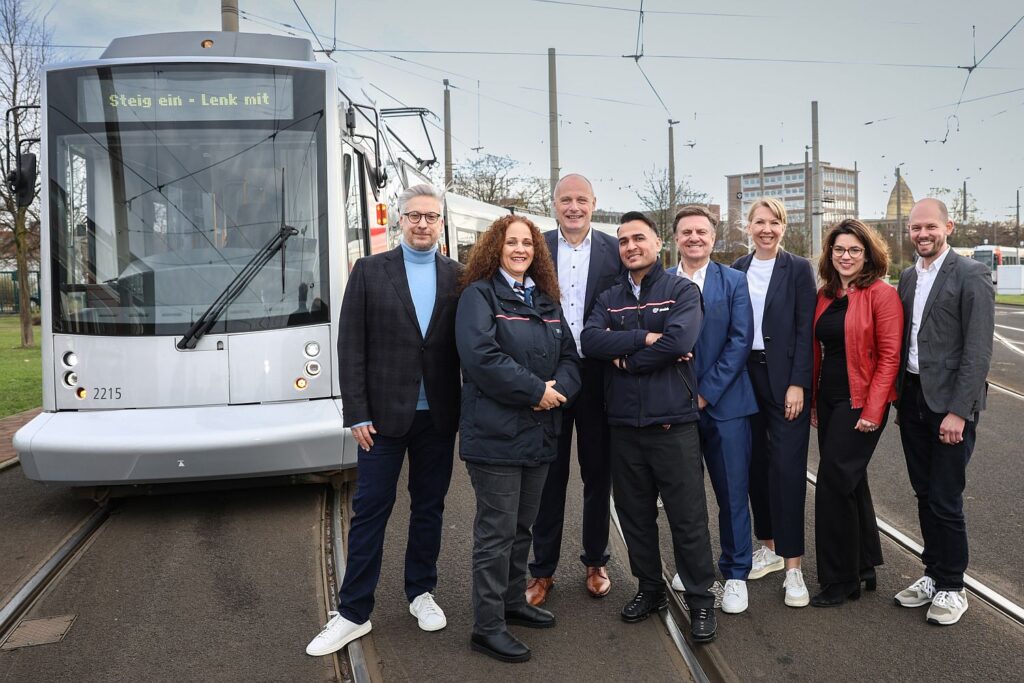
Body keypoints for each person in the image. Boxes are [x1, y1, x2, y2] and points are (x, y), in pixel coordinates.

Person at [306, 184, 462, 656]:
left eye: (430, 216)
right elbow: (350, 345)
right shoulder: (370, 271)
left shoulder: (458, 275)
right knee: (371, 510)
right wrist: (356, 412)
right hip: (380, 420)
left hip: (437, 416)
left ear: (441, 223)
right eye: (414, 215)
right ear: (400, 219)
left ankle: (421, 592)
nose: (422, 224)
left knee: (429, 507)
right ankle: (353, 612)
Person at [582, 211, 718, 643]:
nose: (630, 247)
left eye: (638, 238)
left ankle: (701, 599)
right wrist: (643, 339)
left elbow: (680, 341)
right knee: (635, 517)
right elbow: (590, 339)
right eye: (623, 241)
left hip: (673, 425)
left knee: (688, 518)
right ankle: (650, 588)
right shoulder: (608, 296)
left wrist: (624, 361)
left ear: (658, 244)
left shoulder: (682, 290)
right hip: (624, 426)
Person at [456, 215, 581, 663]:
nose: (520, 249)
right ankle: (487, 627)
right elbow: (481, 357)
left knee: (522, 527)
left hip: (539, 433)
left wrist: (557, 391)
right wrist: (535, 391)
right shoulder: (479, 296)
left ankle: (512, 602)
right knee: (496, 533)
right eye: (511, 242)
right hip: (496, 436)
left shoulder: (546, 299)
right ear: (496, 248)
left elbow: (570, 356)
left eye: (527, 243)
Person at [893, 198, 994, 626]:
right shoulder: (907, 276)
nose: (922, 234)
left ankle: (953, 585)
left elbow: (978, 351)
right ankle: (933, 573)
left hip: (949, 405)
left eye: (930, 226)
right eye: (916, 228)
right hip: (913, 398)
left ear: (948, 227)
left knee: (946, 497)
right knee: (923, 493)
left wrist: (959, 412)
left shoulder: (971, 274)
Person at [528, 173, 623, 606]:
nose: (574, 207)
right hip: (550, 376)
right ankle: (542, 571)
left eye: (581, 200)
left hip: (599, 376)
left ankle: (596, 561)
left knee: (597, 473)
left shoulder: (613, 249)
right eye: (566, 199)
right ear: (554, 204)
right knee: (549, 475)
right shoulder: (536, 246)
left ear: (593, 203)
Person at [667, 205, 758, 614]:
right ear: (675, 238)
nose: (694, 238)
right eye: (686, 232)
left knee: (732, 493)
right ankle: (695, 568)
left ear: (713, 237)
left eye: (701, 232)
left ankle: (736, 574)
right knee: (685, 497)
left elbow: (740, 341)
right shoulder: (662, 282)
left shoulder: (734, 281)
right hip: (675, 407)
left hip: (726, 406)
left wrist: (705, 393)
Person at [809, 219, 903, 607]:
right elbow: (819, 351)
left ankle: (840, 579)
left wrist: (873, 409)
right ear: (830, 254)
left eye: (854, 250)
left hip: (861, 401)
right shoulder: (825, 295)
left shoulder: (882, 295)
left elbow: (890, 357)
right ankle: (863, 564)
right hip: (829, 400)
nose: (845, 256)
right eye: (839, 249)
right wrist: (814, 401)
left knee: (832, 484)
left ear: (867, 254)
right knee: (851, 481)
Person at [731, 197, 816, 608]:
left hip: (784, 381)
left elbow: (805, 330)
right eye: (759, 222)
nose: (766, 229)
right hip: (744, 377)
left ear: (784, 227)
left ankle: (793, 568)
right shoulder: (737, 269)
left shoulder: (798, 269)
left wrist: (798, 383)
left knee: (787, 470)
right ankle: (767, 547)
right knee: (754, 466)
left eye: (774, 222)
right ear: (748, 227)